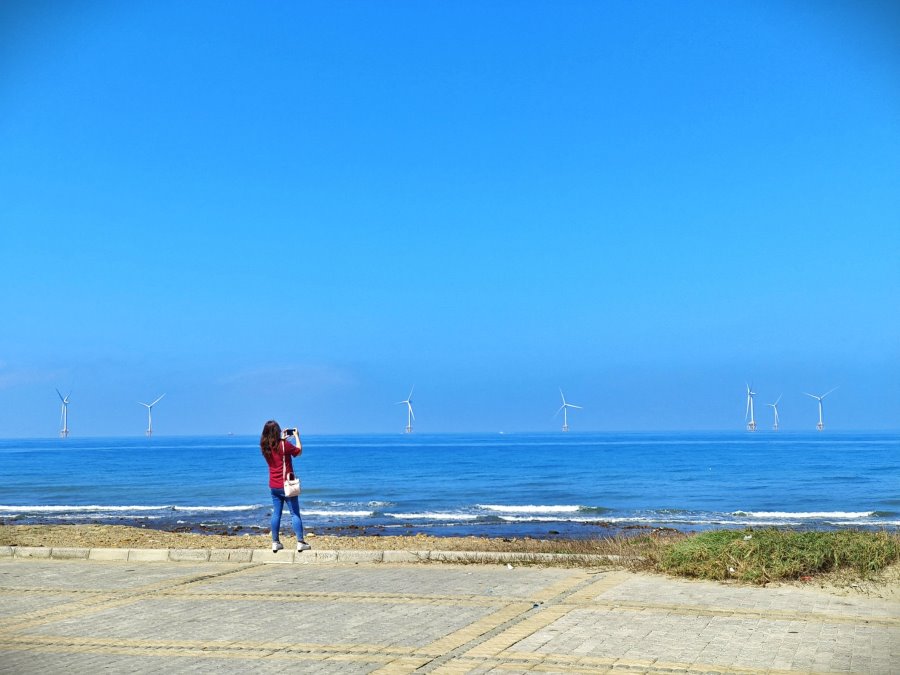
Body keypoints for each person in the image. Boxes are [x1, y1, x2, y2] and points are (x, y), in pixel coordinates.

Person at [260, 420, 311, 553]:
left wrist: (282, 439)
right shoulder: (284, 445)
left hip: (274, 486)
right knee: (295, 514)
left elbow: (276, 449)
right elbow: (298, 451)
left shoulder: (264, 446)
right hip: (287, 485)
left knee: (276, 514)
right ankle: (300, 542)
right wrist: (297, 436)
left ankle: (275, 542)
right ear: (277, 431)